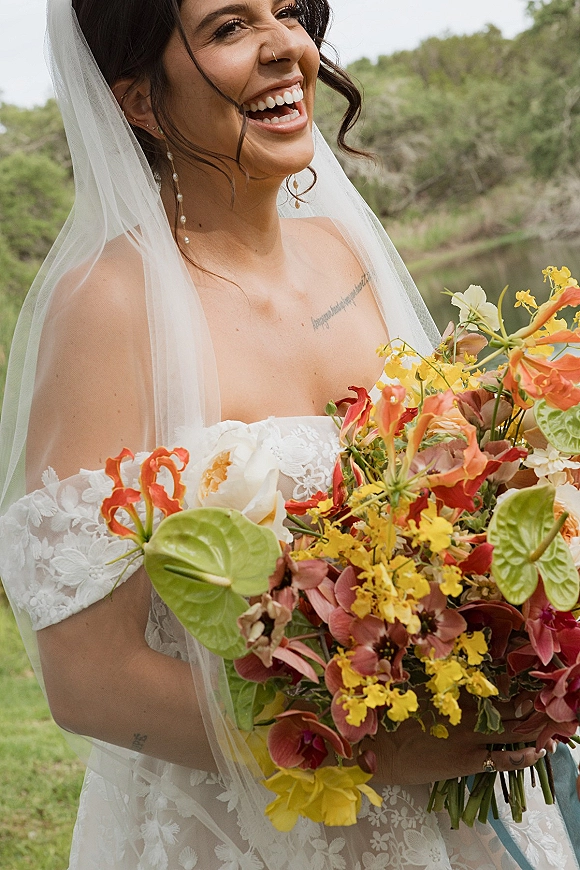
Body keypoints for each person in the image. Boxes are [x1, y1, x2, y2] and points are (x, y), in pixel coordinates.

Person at [0, 0, 577, 867]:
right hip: (247, 827)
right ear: (139, 102)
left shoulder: (343, 255)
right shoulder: (110, 307)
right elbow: (87, 676)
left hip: (446, 807)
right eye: (229, 29)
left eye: (288, 12)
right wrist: (372, 746)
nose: (286, 48)